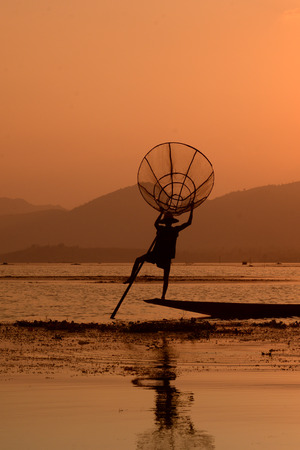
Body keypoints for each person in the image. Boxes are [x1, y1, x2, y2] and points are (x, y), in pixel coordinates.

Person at [124, 206, 194, 299]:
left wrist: (192, 209)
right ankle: (132, 277)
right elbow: (156, 224)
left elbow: (188, 223)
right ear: (166, 222)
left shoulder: (172, 230)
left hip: (165, 256)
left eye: (169, 221)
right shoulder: (163, 229)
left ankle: (163, 296)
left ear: (170, 222)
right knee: (138, 260)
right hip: (157, 254)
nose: (168, 223)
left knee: (165, 277)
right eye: (167, 221)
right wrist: (161, 213)